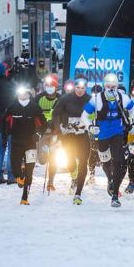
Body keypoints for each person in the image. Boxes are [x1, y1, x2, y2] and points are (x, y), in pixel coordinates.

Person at [81, 73, 134, 208]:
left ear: (117, 86)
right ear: (104, 86)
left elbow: (132, 108)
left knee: (118, 162)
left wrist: (133, 123)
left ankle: (115, 196)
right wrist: (90, 127)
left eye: (113, 86)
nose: (111, 89)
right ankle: (110, 180)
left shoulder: (122, 98)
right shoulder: (97, 99)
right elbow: (84, 115)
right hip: (102, 134)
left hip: (117, 132)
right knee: (105, 162)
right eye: (108, 86)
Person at [52, 75, 92, 204]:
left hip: (83, 135)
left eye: (82, 88)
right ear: (74, 87)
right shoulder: (66, 98)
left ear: (86, 88)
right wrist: (59, 129)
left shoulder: (90, 100)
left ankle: (78, 193)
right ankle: (74, 177)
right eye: (77, 87)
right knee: (70, 163)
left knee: (83, 162)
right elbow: (55, 114)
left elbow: (99, 113)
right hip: (68, 135)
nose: (80, 90)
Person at [5, 86, 47, 204]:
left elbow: (44, 124)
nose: (23, 96)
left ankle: (25, 197)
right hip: (16, 143)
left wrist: (38, 135)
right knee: (15, 168)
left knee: (29, 171)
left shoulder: (35, 107)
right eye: (20, 94)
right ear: (17, 95)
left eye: (25, 94)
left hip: (30, 144)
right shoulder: (12, 107)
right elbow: (5, 122)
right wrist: (6, 135)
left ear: (29, 95)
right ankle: (19, 177)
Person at [35, 75, 61, 191]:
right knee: (42, 160)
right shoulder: (39, 98)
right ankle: (45, 153)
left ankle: (50, 182)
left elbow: (63, 114)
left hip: (55, 132)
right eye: (47, 86)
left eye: (52, 86)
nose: (50, 88)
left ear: (56, 87)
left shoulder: (60, 99)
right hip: (43, 131)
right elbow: (34, 113)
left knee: (54, 158)